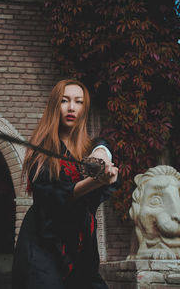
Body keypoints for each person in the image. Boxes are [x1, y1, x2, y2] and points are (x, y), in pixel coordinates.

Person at [12, 79, 119, 289]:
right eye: (64, 101)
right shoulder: (40, 151)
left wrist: (101, 156)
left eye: (78, 102)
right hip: (43, 243)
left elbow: (102, 146)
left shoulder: (90, 146)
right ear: (54, 106)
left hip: (80, 245)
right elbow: (60, 194)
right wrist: (95, 180)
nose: (71, 107)